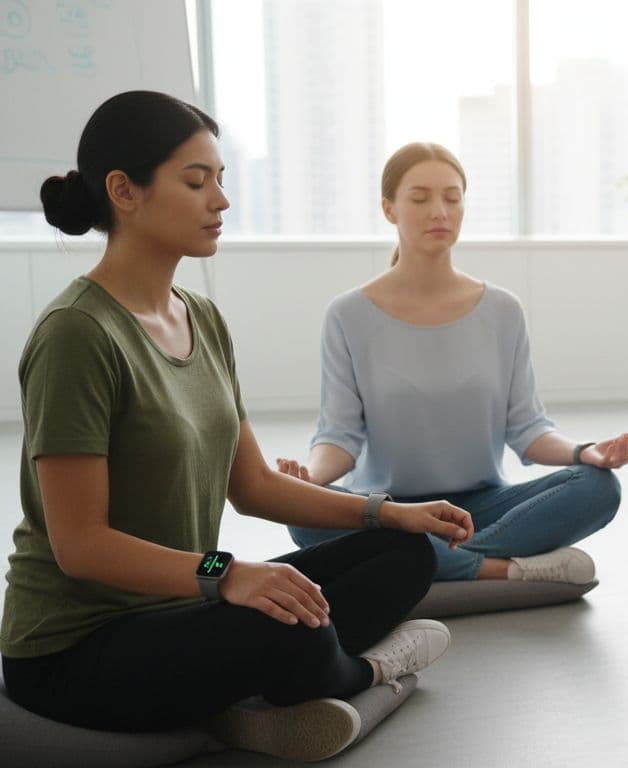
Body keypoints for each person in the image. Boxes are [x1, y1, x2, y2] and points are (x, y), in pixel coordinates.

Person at [0, 91, 472, 763]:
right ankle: (365, 673)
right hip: (79, 648)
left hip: (180, 607)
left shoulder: (201, 317)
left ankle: (277, 685)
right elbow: (81, 546)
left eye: (221, 180)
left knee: (403, 554)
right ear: (123, 192)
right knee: (291, 630)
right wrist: (226, 574)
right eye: (197, 182)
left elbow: (252, 486)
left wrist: (388, 512)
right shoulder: (77, 334)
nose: (220, 200)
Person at [281, 142, 628, 585]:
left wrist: (586, 452)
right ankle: (495, 568)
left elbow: (528, 429)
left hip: (482, 508)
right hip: (391, 510)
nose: (439, 212)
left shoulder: (503, 310)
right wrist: (307, 479)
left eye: (452, 197)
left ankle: (421, 563)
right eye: (421, 198)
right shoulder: (348, 314)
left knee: (598, 488)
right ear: (389, 209)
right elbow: (340, 436)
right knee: (304, 516)